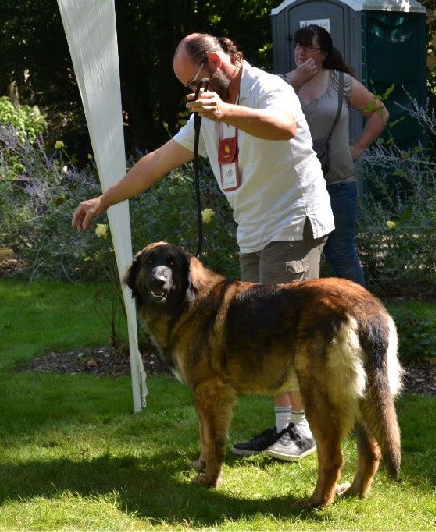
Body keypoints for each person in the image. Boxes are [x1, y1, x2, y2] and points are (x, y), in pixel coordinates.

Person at [72, 33, 334, 462]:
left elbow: (284, 126)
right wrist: (105, 199)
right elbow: (156, 162)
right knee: (265, 331)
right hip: (252, 228)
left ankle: (300, 430)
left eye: (193, 82)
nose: (191, 93)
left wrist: (225, 110)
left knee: (287, 328)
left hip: (292, 222)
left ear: (214, 61)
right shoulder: (204, 118)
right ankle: (285, 426)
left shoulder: (268, 88)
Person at [281, 25, 390, 288]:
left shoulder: (341, 82)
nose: (300, 51)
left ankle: (364, 316)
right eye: (297, 45)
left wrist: (358, 148)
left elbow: (380, 113)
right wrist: (295, 78)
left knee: (341, 255)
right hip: (295, 188)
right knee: (297, 258)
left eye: (308, 46)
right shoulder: (281, 84)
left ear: (323, 53)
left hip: (337, 184)